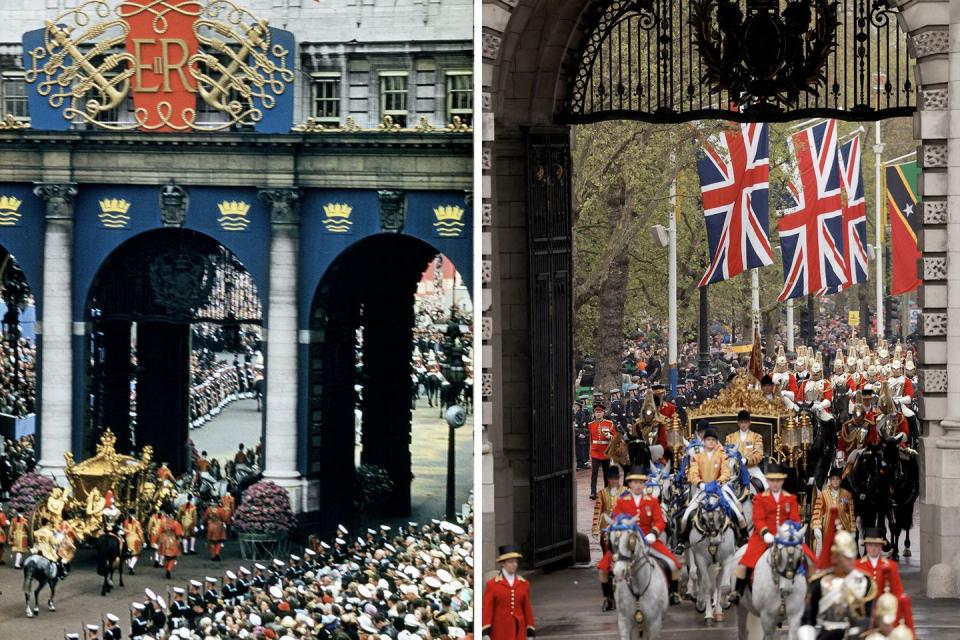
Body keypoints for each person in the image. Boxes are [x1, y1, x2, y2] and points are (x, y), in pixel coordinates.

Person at [732, 463, 813, 603]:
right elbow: (758, 519)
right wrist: (765, 533)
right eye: (772, 480)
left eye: (778, 480)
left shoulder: (790, 498)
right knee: (746, 561)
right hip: (763, 537)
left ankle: (812, 591)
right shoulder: (759, 498)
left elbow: (795, 519)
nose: (775, 484)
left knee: (809, 558)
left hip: (786, 537)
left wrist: (790, 531)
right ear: (768, 481)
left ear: (782, 481)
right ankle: (738, 592)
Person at [609, 467, 682, 604]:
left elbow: (659, 521)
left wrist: (654, 533)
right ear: (630, 484)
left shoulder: (652, 501)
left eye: (640, 482)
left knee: (673, 563)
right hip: (627, 541)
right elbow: (616, 520)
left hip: (649, 539)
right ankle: (609, 597)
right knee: (606, 566)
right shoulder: (622, 502)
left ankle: (673, 593)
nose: (637, 485)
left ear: (644, 484)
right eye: (635, 482)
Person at [799, 527, 877, 640]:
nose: (851, 561)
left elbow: (869, 616)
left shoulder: (865, 581)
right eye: (846, 557)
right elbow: (807, 619)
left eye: (852, 556)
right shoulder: (820, 582)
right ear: (835, 557)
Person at [681, 427, 747, 545]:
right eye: (708, 439)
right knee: (686, 516)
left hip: (720, 488)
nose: (711, 442)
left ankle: (744, 537)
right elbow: (693, 473)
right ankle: (682, 542)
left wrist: (718, 482)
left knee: (738, 514)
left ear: (716, 442)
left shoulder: (722, 456)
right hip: (702, 489)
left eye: (713, 440)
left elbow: (726, 472)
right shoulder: (697, 457)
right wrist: (701, 484)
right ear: (704, 441)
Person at [482, 545, 536, 639]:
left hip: (519, 630)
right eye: (511, 562)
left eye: (516, 561)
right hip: (499, 631)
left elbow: (527, 608)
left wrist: (530, 629)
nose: (514, 564)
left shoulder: (524, 584)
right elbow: (488, 610)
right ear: (503, 564)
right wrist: (485, 631)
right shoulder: (492, 584)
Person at [591, 466, 624, 612]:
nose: (614, 481)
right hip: (606, 534)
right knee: (607, 563)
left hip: (622, 533)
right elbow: (598, 511)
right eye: (611, 479)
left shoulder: (625, 493)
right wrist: (595, 528)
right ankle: (608, 597)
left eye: (616, 479)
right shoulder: (602, 493)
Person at [812, 468, 856, 555]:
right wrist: (816, 526)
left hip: (843, 529)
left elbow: (850, 512)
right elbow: (817, 511)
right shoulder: (823, 494)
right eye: (833, 479)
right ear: (830, 480)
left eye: (837, 479)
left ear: (840, 480)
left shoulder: (847, 494)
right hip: (828, 529)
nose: (835, 481)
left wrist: (853, 528)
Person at [724, 409, 767, 490]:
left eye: (745, 422)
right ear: (738, 423)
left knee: (766, 486)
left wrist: (746, 460)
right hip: (735, 471)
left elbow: (759, 454)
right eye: (741, 422)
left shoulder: (756, 437)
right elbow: (726, 454)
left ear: (749, 423)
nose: (743, 425)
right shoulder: (730, 437)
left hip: (752, 469)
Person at [855, 528, 904, 598]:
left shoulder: (891, 565)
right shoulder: (857, 565)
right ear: (865, 545)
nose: (873, 548)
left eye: (876, 545)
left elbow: (897, 591)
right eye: (870, 545)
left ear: (881, 545)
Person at [588, 401, 614, 500]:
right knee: (594, 472)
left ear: (603, 413)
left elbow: (615, 438)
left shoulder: (609, 424)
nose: (598, 413)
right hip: (595, 452)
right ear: (594, 413)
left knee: (606, 473)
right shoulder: (590, 424)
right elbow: (590, 439)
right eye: (596, 412)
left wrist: (610, 436)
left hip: (605, 452)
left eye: (600, 412)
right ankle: (593, 492)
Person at [158, 511, 183, 579]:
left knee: (166, 556)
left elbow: (159, 532)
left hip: (164, 540)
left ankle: (167, 568)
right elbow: (178, 534)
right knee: (173, 557)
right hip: (172, 540)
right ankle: (169, 569)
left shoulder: (163, 522)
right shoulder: (175, 523)